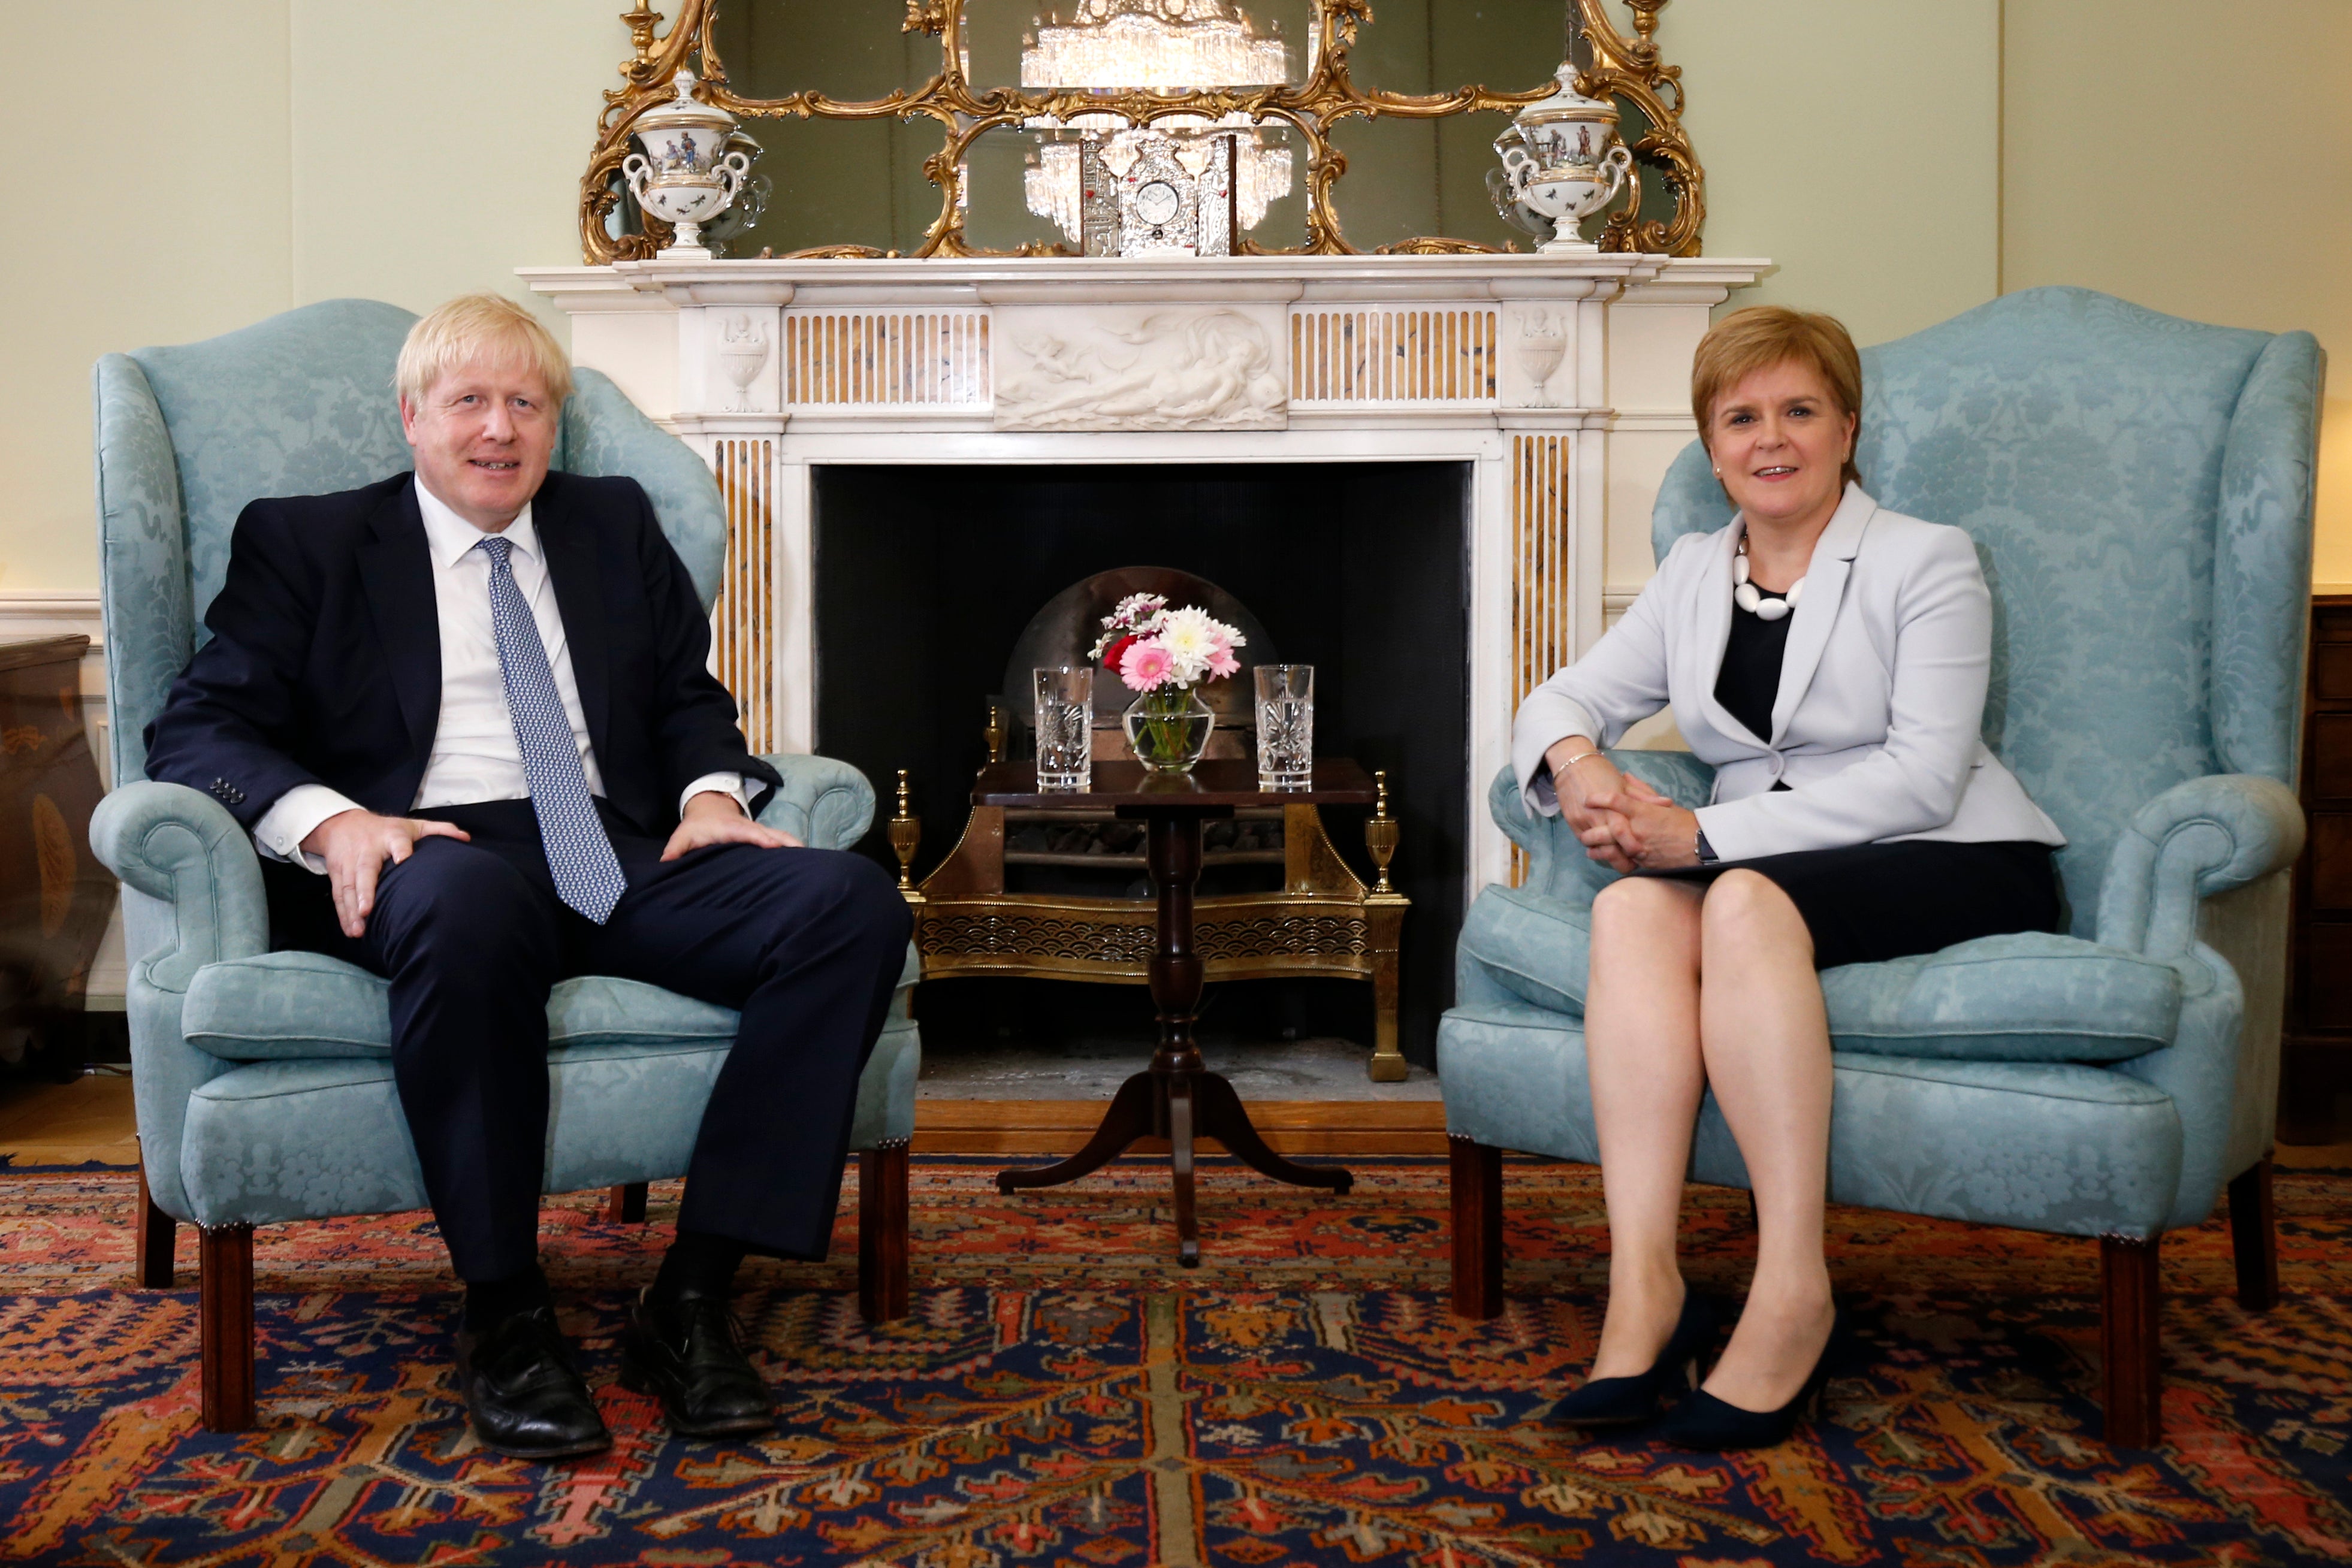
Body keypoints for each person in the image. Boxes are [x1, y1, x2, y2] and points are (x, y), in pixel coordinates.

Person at [144, 293, 914, 1460]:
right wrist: (334, 821)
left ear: (553, 425)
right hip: (428, 852)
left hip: (609, 848)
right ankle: (505, 1314)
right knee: (468, 899)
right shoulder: (308, 542)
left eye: (525, 402)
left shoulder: (609, 524)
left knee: (846, 900)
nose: (497, 428)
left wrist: (711, 799)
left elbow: (684, 705)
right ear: (412, 418)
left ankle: (694, 1295)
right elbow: (198, 730)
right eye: (468, 401)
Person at [1510, 306, 2066, 1451]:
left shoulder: (1927, 557)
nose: (1772, 438)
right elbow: (1560, 698)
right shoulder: (1689, 572)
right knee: (1627, 912)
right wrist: (1579, 767)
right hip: (1779, 861)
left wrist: (1702, 840)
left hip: (1956, 856)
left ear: (1846, 428)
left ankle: (1792, 1289)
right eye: (1741, 417)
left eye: (1799, 410)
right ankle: (1645, 1284)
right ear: (1711, 449)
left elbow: (1923, 777)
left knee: (1742, 897)